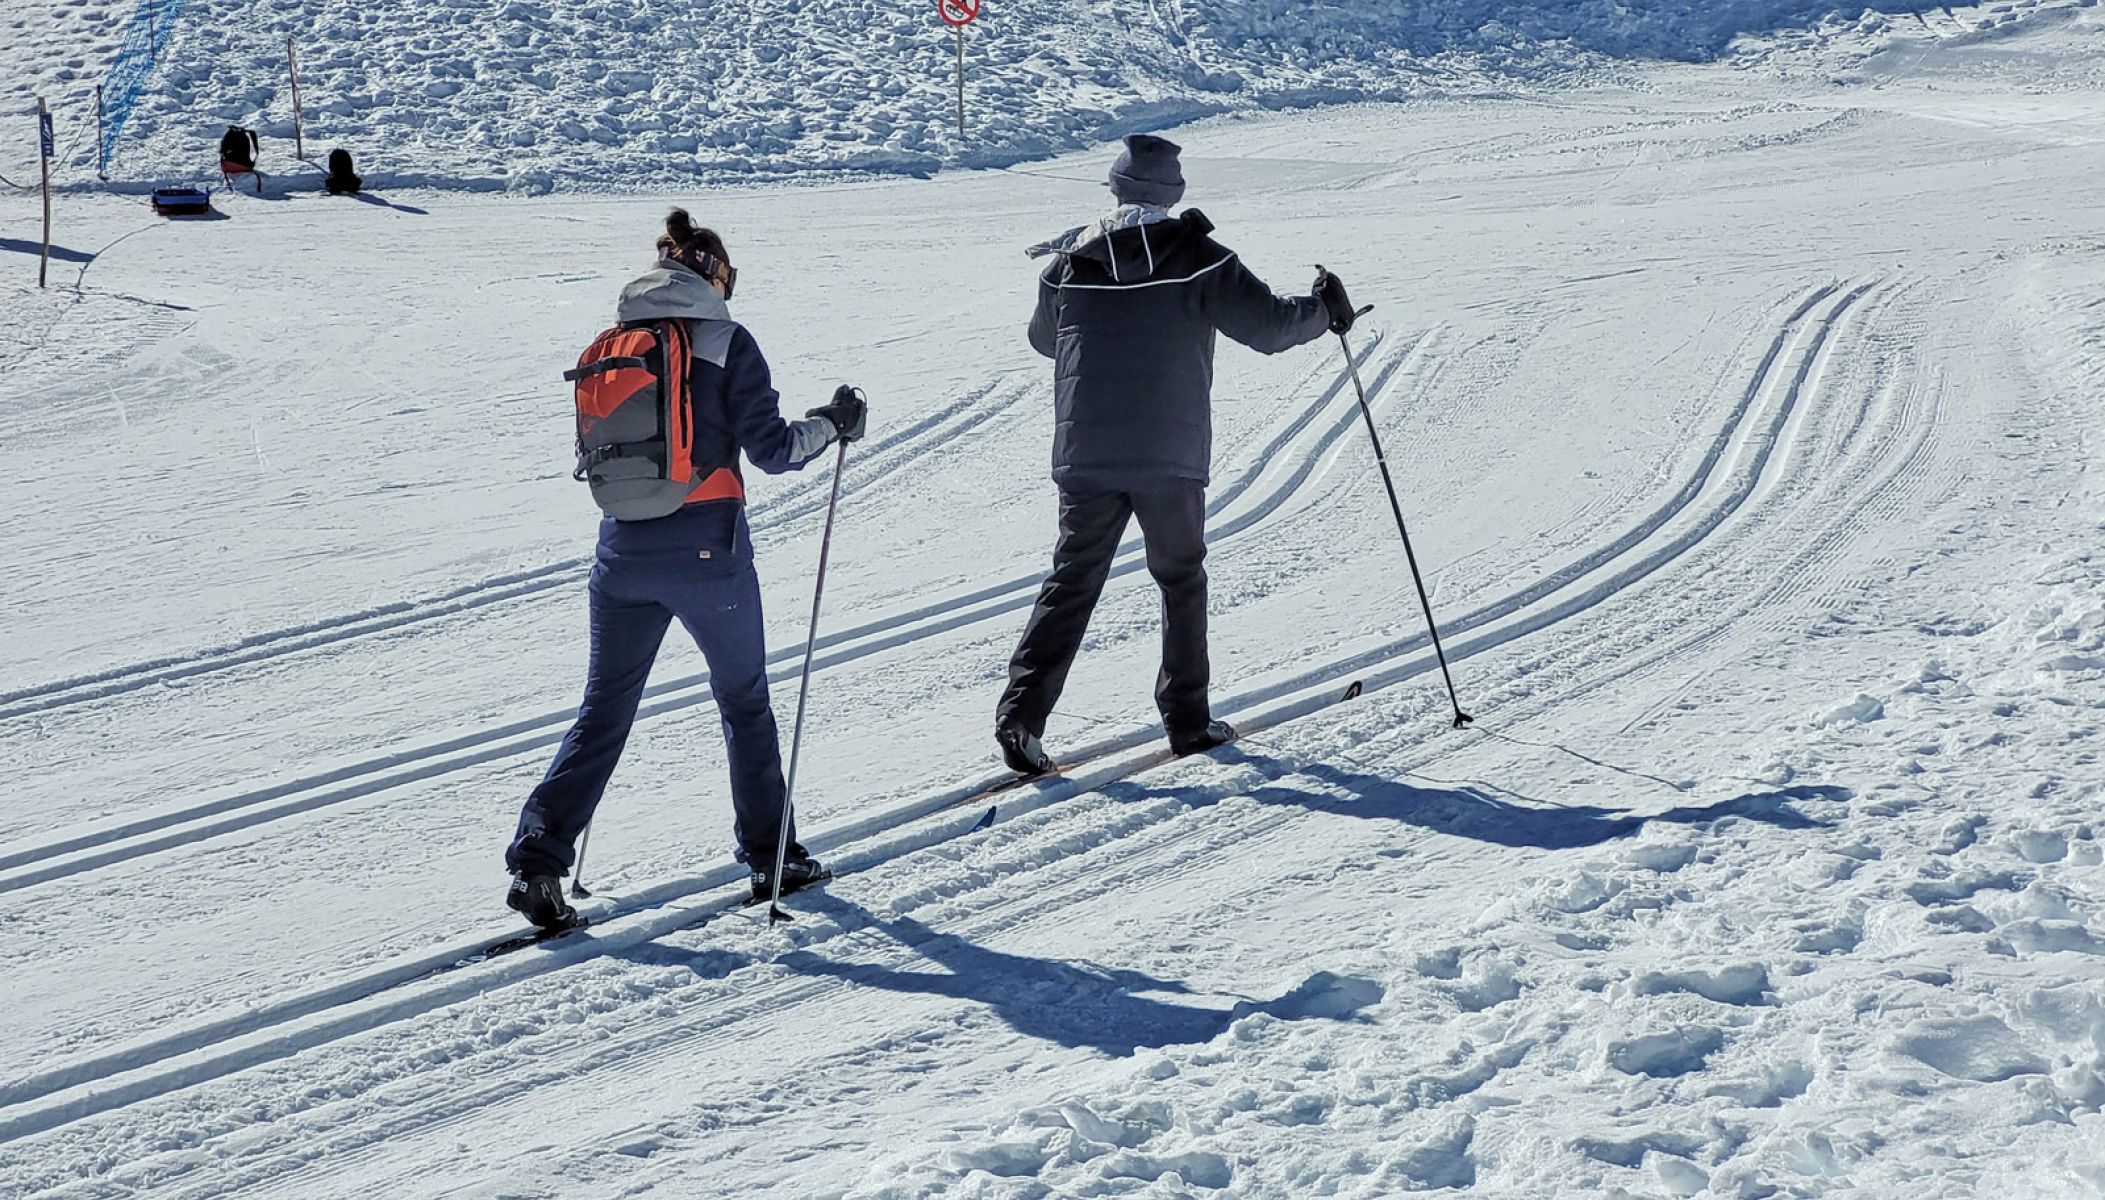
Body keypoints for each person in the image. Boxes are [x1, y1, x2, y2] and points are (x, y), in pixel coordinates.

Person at [504, 209, 869, 930]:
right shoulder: (727, 341)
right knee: (744, 702)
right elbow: (772, 451)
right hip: (708, 552)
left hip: (620, 552)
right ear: (714, 276)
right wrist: (832, 423)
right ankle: (772, 857)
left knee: (603, 710)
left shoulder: (612, 342)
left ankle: (538, 865)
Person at [995, 133, 1359, 775]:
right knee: (1181, 579)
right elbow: (1270, 327)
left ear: (1114, 188)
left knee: (1072, 579)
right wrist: (1326, 309)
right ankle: (1187, 723)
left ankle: (1020, 718)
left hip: (1086, 454)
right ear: (1174, 194)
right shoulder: (1199, 258)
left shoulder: (1066, 262)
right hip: (1169, 453)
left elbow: (1044, 340)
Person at [218, 125, 262, 194]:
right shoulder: (244, 136)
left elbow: (222, 151)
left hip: (227, 166)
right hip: (245, 166)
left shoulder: (229, 135)